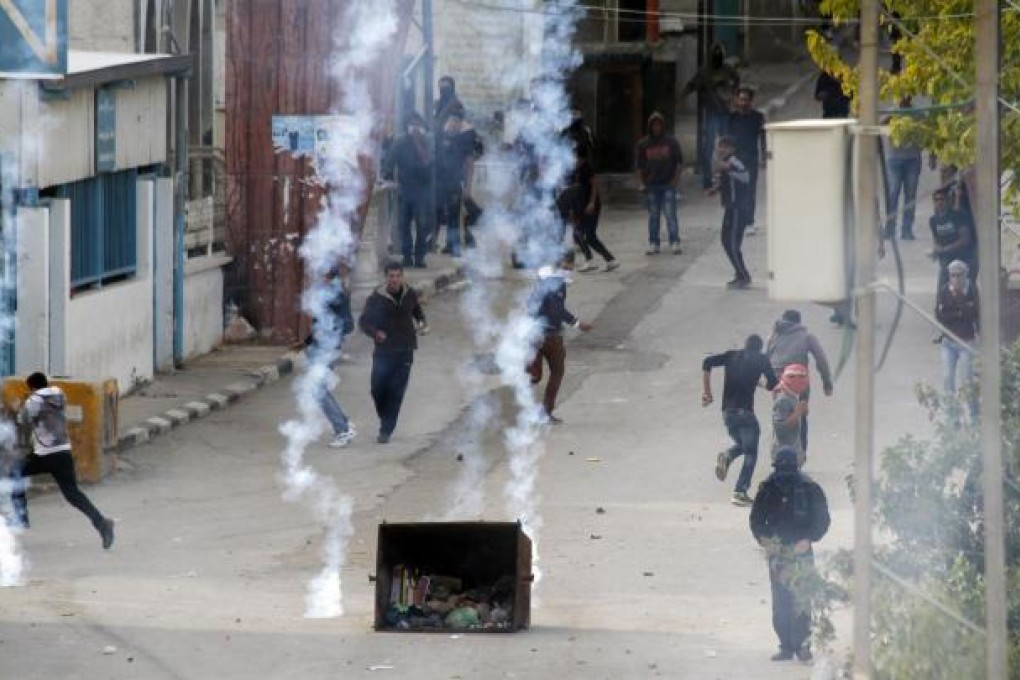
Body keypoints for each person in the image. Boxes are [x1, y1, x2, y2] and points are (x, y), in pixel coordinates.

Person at [12, 372, 115, 549]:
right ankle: (101, 523)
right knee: (73, 494)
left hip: (43, 454)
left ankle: (21, 519)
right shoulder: (59, 394)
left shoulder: (33, 401)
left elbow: (23, 419)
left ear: (32, 388)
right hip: (63, 453)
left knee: (13, 475)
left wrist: (20, 405)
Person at [749, 445, 831, 662]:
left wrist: (808, 539)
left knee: (802, 598)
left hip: (801, 550)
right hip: (778, 552)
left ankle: (803, 646)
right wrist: (766, 541)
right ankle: (785, 645)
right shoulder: (767, 487)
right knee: (781, 600)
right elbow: (756, 520)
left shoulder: (810, 488)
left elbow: (822, 519)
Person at [701, 334, 779, 506]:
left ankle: (728, 456)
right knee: (751, 452)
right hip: (745, 413)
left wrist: (707, 392)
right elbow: (773, 384)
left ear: (744, 346)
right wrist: (760, 383)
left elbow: (707, 362)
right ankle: (740, 491)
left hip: (728, 413)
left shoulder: (731, 355)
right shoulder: (761, 359)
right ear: (759, 348)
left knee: (745, 445)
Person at [358, 262, 428, 443]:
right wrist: (375, 333)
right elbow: (364, 322)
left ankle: (386, 430)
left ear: (402, 276)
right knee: (377, 390)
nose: (395, 279)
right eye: (391, 276)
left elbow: (417, 311)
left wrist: (421, 322)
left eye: (398, 276)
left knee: (396, 392)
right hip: (384, 352)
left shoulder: (409, 294)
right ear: (386, 278)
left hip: (405, 350)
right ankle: (385, 418)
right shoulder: (376, 298)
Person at [295, 266, 357, 447]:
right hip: (320, 349)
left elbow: (349, 325)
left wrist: (333, 332)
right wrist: (305, 343)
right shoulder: (322, 297)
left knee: (318, 390)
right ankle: (344, 423)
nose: (323, 281)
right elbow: (318, 327)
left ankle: (343, 429)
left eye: (327, 277)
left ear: (333, 278)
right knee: (318, 389)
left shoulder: (338, 298)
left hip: (329, 350)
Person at [527, 263, 593, 423]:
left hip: (533, 335)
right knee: (557, 371)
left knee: (534, 375)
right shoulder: (557, 285)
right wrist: (577, 323)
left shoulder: (539, 285)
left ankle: (527, 406)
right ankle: (545, 412)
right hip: (549, 336)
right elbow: (557, 309)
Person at [766, 310, 834, 453]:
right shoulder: (807, 337)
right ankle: (800, 453)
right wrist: (827, 383)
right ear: (799, 322)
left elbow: (765, 358)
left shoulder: (775, 335)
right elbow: (821, 359)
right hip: (799, 381)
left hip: (778, 381)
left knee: (780, 414)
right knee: (801, 415)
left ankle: (778, 453)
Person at [681, 42, 740, 190]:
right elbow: (691, 85)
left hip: (725, 113)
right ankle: (708, 180)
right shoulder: (704, 72)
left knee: (727, 148)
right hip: (712, 114)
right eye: (715, 54)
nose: (717, 57)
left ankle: (727, 178)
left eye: (719, 54)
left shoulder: (727, 69)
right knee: (708, 149)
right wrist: (682, 95)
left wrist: (733, 94)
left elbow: (737, 80)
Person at [383, 111, 433, 268]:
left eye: (418, 124)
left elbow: (432, 163)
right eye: (412, 124)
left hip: (423, 190)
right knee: (404, 225)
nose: (415, 127)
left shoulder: (426, 142)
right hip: (405, 189)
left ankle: (419, 257)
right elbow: (390, 162)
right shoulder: (400, 143)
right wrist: (387, 176)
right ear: (407, 126)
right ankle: (407, 255)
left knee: (422, 224)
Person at [435, 107, 483, 257]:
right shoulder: (439, 137)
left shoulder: (463, 140)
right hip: (438, 183)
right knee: (438, 215)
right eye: (451, 121)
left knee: (454, 216)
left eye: (456, 121)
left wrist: (467, 187)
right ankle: (438, 243)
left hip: (455, 183)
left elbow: (469, 164)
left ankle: (454, 245)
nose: (453, 124)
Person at [935, 260, 979, 420]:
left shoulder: (971, 289)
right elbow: (940, 316)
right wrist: (959, 313)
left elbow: (973, 314)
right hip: (948, 341)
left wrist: (960, 299)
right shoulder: (944, 290)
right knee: (948, 378)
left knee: (967, 379)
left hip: (966, 340)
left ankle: (974, 414)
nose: (956, 279)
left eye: (959, 275)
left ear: (965, 275)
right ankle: (952, 415)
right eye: (953, 275)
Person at [635, 111, 683, 255]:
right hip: (652, 184)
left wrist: (676, 180)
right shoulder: (643, 144)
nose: (656, 127)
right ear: (649, 126)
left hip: (668, 183)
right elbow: (639, 166)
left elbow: (679, 162)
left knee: (670, 214)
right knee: (654, 215)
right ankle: (653, 242)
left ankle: (674, 241)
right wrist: (640, 183)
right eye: (653, 124)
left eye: (658, 124)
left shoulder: (671, 142)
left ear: (662, 125)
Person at [565, 145, 619, 273]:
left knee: (589, 236)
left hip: (590, 206)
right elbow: (572, 189)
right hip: (579, 206)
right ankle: (589, 260)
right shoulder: (573, 170)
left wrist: (592, 202)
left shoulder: (586, 167)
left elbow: (594, 184)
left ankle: (611, 260)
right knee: (577, 233)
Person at [708, 135, 751, 288]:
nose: (721, 150)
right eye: (720, 147)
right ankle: (739, 273)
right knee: (726, 241)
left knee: (732, 243)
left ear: (731, 148)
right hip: (730, 207)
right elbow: (726, 181)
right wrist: (716, 189)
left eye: (724, 147)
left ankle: (743, 276)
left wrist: (729, 169)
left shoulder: (733, 161)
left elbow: (746, 177)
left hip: (739, 207)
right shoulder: (724, 163)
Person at [726, 85, 766, 236]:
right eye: (740, 99)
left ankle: (750, 222)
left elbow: (763, 137)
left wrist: (764, 156)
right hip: (735, 159)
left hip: (751, 159)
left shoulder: (758, 117)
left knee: (749, 192)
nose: (742, 102)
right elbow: (727, 139)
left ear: (751, 101)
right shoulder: (732, 118)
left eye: (745, 100)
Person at [883, 98, 923, 240]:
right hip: (894, 158)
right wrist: (895, 113)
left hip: (912, 158)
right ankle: (889, 228)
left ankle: (906, 229)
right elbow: (880, 124)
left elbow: (926, 131)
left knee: (910, 195)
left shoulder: (917, 113)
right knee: (893, 193)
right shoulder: (891, 111)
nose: (904, 99)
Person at [929, 188, 977, 293]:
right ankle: (941, 305)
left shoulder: (958, 216)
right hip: (946, 258)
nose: (939, 202)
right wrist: (936, 250)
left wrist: (946, 248)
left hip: (964, 255)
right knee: (943, 282)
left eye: (941, 199)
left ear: (947, 200)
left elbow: (965, 239)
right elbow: (936, 239)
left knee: (968, 284)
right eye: (936, 200)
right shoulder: (933, 220)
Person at [771, 364, 810, 466]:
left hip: (791, 456)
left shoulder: (792, 398)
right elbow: (780, 428)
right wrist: (797, 412)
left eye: (802, 376)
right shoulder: (784, 400)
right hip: (785, 458)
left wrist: (802, 411)